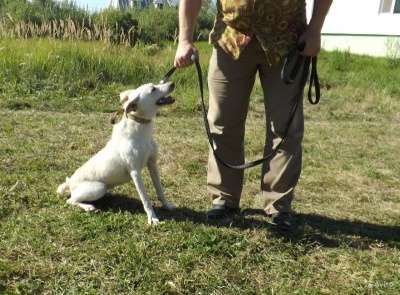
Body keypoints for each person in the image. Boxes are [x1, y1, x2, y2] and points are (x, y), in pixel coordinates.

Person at [174, 0, 333, 228]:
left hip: (287, 41)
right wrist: (184, 40)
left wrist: (315, 29)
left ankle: (279, 206)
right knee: (222, 122)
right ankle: (224, 200)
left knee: (285, 127)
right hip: (230, 38)